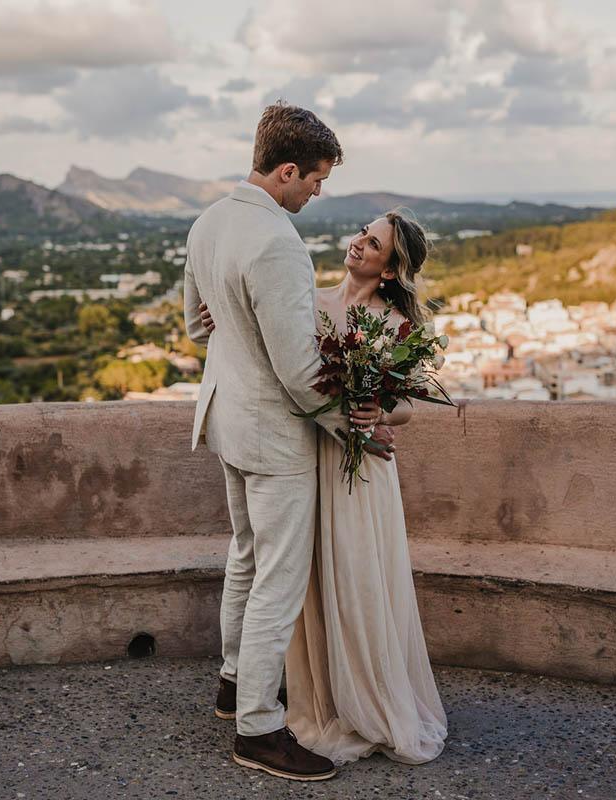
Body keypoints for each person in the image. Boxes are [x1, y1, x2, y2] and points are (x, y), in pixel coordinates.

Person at [198, 209, 448, 766]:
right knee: (304, 578)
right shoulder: (308, 300)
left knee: (357, 578)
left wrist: (375, 409)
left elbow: (406, 405)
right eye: (363, 233)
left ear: (389, 269)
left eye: (373, 243)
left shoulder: (396, 325)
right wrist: (222, 317)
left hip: (361, 472)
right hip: (308, 456)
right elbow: (266, 341)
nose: (358, 243)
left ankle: (363, 699)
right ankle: (313, 694)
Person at [182, 102, 385, 782]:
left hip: (225, 421)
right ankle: (260, 730)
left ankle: (234, 683)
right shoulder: (275, 241)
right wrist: (350, 425)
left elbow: (197, 327)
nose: (318, 194)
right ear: (289, 170)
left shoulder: (209, 220)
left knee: (245, 556)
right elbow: (301, 372)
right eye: (317, 181)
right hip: (271, 433)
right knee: (278, 578)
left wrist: (229, 324)